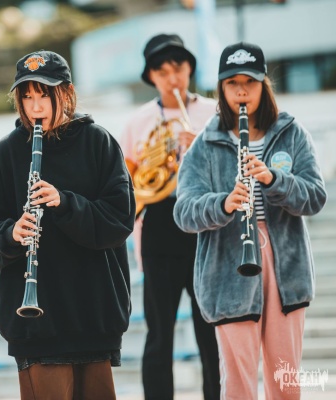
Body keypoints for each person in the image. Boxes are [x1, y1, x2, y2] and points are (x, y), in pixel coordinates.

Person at [0, 50, 135, 399]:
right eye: (27, 97)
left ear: (67, 93)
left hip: (93, 315)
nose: (35, 107)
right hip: (35, 325)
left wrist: (65, 202)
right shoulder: (6, 152)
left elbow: (120, 220)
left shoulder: (99, 142)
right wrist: (10, 234)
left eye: (44, 94)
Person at [173, 42, 327, 399]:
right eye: (232, 83)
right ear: (221, 88)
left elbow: (316, 197)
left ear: (263, 84)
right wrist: (223, 203)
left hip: (286, 270)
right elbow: (184, 212)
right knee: (238, 385)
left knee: (285, 382)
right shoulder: (205, 144)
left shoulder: (291, 133)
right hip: (228, 271)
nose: (241, 91)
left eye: (250, 82)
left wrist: (274, 180)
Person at [119, 33, 220, 399]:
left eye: (178, 68)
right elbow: (125, 184)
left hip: (206, 223)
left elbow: (234, 170)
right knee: (159, 332)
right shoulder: (138, 121)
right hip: (159, 226)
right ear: (151, 76)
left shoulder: (215, 112)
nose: (172, 78)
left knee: (211, 330)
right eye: (161, 72)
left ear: (190, 68)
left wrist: (202, 148)